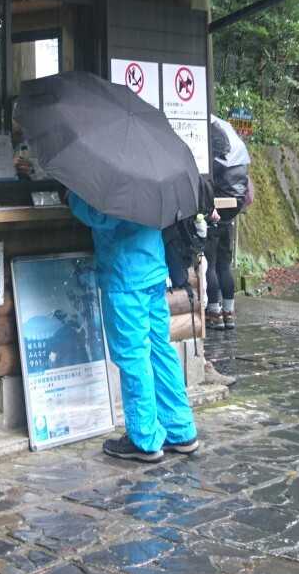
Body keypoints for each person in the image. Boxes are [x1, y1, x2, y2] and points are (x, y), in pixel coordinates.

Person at [68, 192, 200, 462]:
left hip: (125, 274)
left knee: (133, 356)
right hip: (154, 268)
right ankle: (180, 430)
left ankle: (144, 438)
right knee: (160, 349)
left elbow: (100, 215)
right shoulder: (150, 176)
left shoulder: (115, 180)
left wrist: (71, 196)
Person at [206, 115, 251, 330]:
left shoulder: (211, 159)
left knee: (210, 264)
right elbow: (247, 193)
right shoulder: (237, 157)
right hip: (231, 214)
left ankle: (214, 313)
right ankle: (229, 313)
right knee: (224, 265)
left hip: (211, 214)